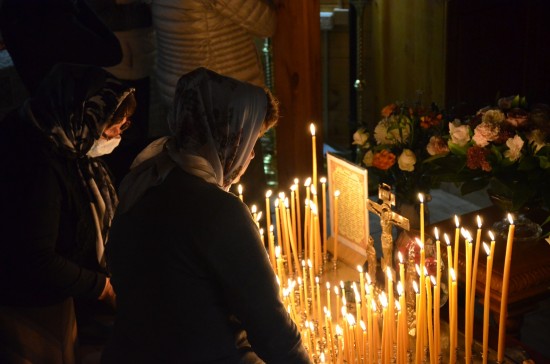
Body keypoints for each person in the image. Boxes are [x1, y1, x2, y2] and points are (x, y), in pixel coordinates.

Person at [101, 67, 310, 363]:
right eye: (251, 143)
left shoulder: (146, 178)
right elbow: (271, 329)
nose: (250, 156)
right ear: (228, 136)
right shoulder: (218, 209)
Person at [0, 63, 136, 363]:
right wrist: (103, 287)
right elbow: (37, 257)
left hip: (66, 300)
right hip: (34, 310)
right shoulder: (36, 164)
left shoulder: (65, 141)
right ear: (84, 117)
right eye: (114, 125)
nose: (118, 135)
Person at [152, 0, 277, 207]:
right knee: (243, 192)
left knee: (190, 183)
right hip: (225, 103)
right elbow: (265, 23)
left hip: (180, 91)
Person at [85, 0, 156, 185]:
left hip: (140, 57)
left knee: (135, 133)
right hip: (117, 61)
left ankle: (133, 182)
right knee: (116, 135)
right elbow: (97, 13)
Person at [0, 0, 122, 95]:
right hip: (70, 111)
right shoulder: (51, 16)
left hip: (47, 108)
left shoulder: (11, 11)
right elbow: (112, 54)